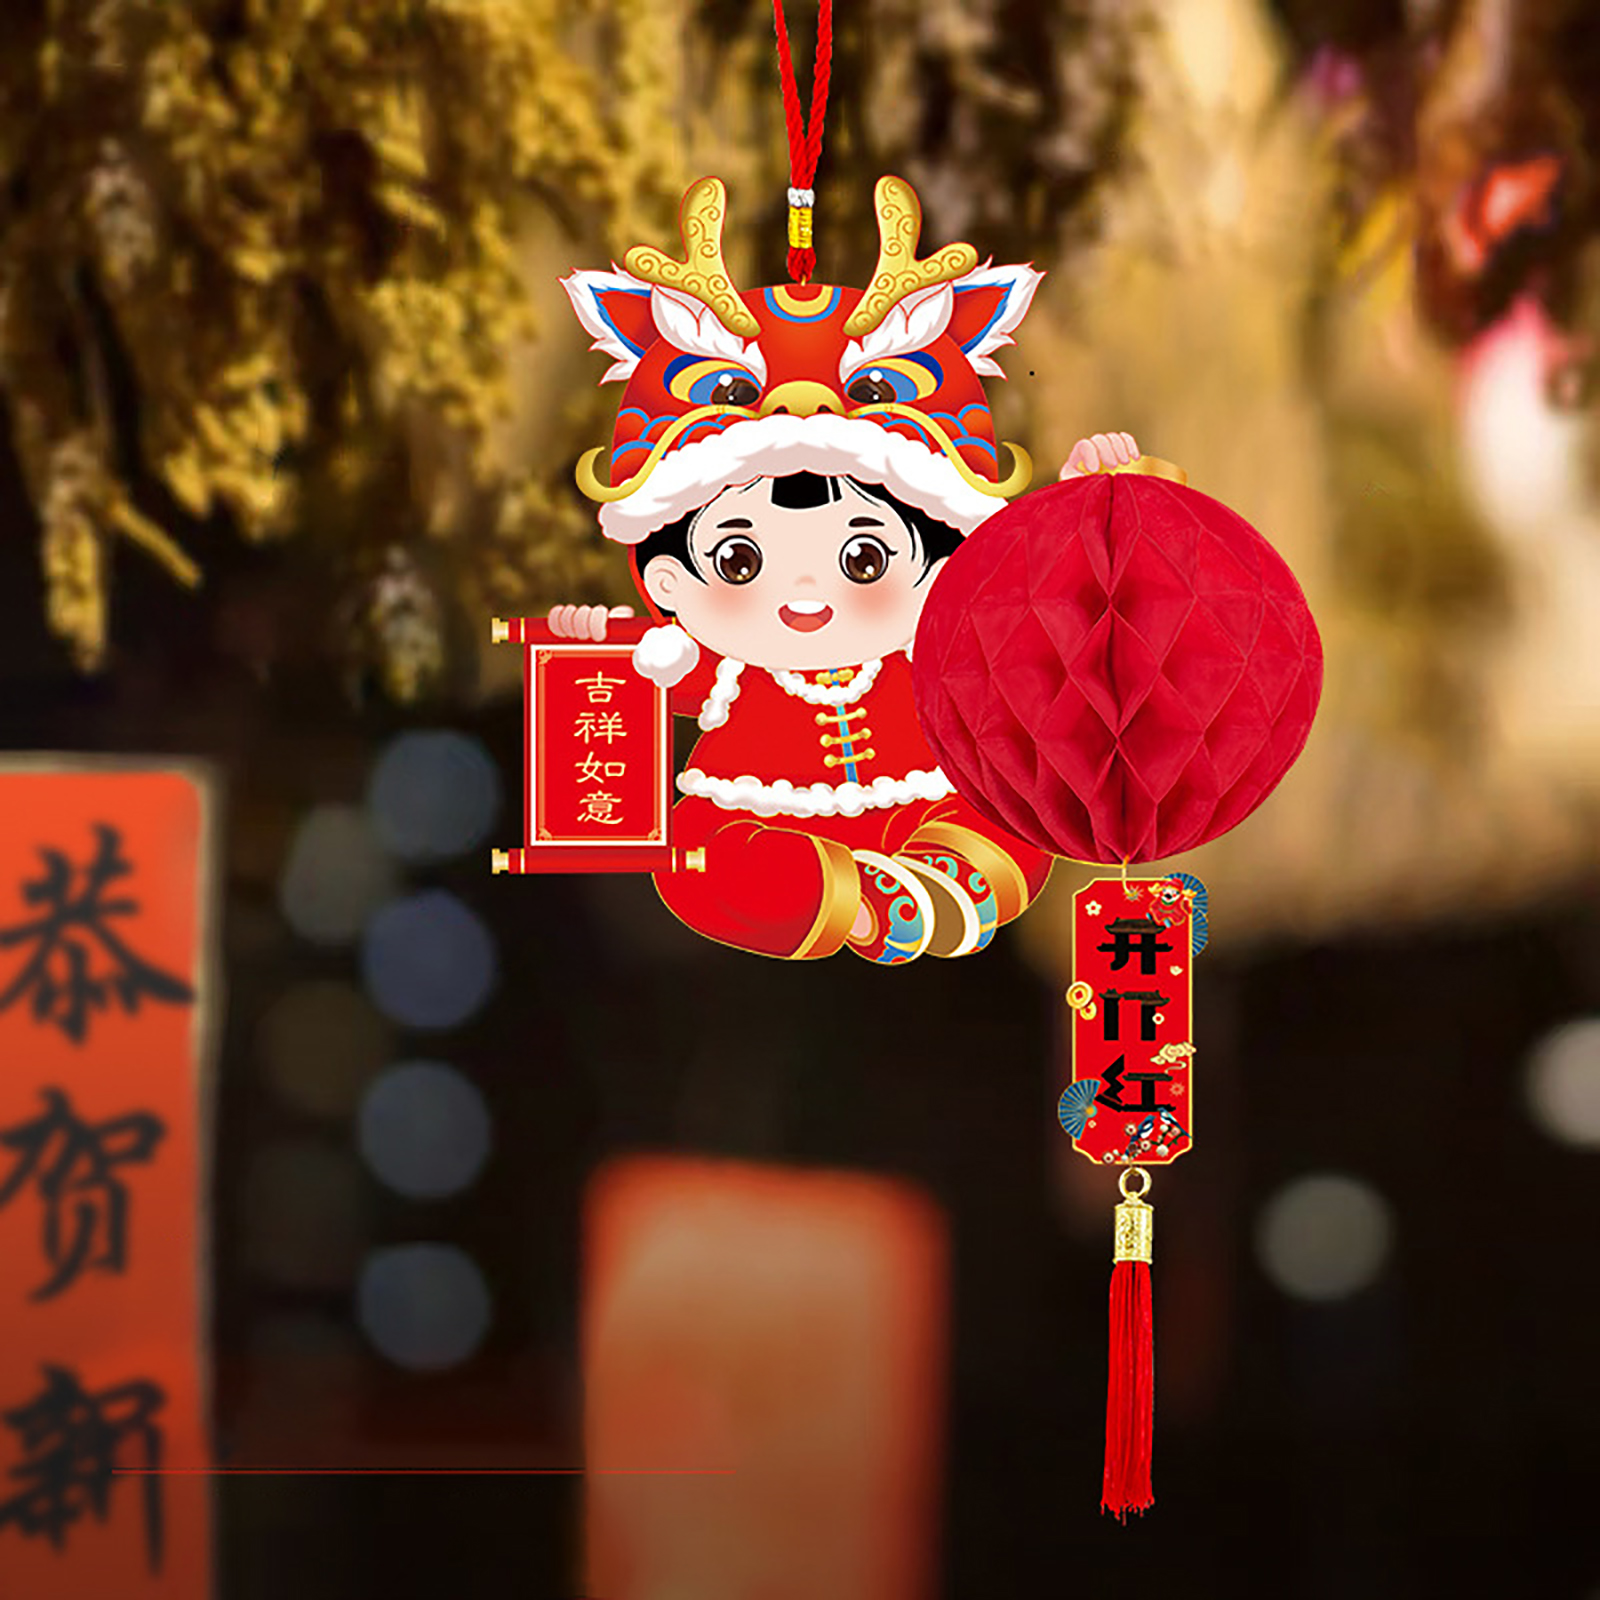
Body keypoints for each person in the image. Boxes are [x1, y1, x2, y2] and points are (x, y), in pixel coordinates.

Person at [549, 439, 1140, 964]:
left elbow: (1033, 612)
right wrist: (592, 644)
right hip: (766, 822)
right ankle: (857, 908)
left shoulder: (931, 646)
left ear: (940, 569)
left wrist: (1084, 505)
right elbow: (630, 690)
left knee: (1009, 801)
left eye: (863, 560)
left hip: (923, 802)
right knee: (697, 856)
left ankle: (946, 883)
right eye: (740, 563)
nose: (806, 594)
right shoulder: (715, 662)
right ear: (669, 582)